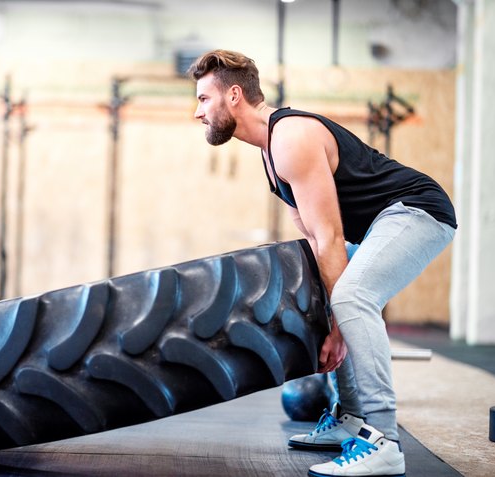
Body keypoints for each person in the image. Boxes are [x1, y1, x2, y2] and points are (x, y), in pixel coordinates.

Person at [187, 50, 456, 477]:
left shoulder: (291, 138)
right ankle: (349, 416)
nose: (197, 112)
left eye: (204, 99)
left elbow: (332, 238)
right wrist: (326, 316)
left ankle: (383, 439)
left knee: (350, 297)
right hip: (376, 226)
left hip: (417, 212)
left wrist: (338, 327)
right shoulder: (270, 158)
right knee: (323, 290)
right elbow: (315, 243)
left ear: (234, 95)